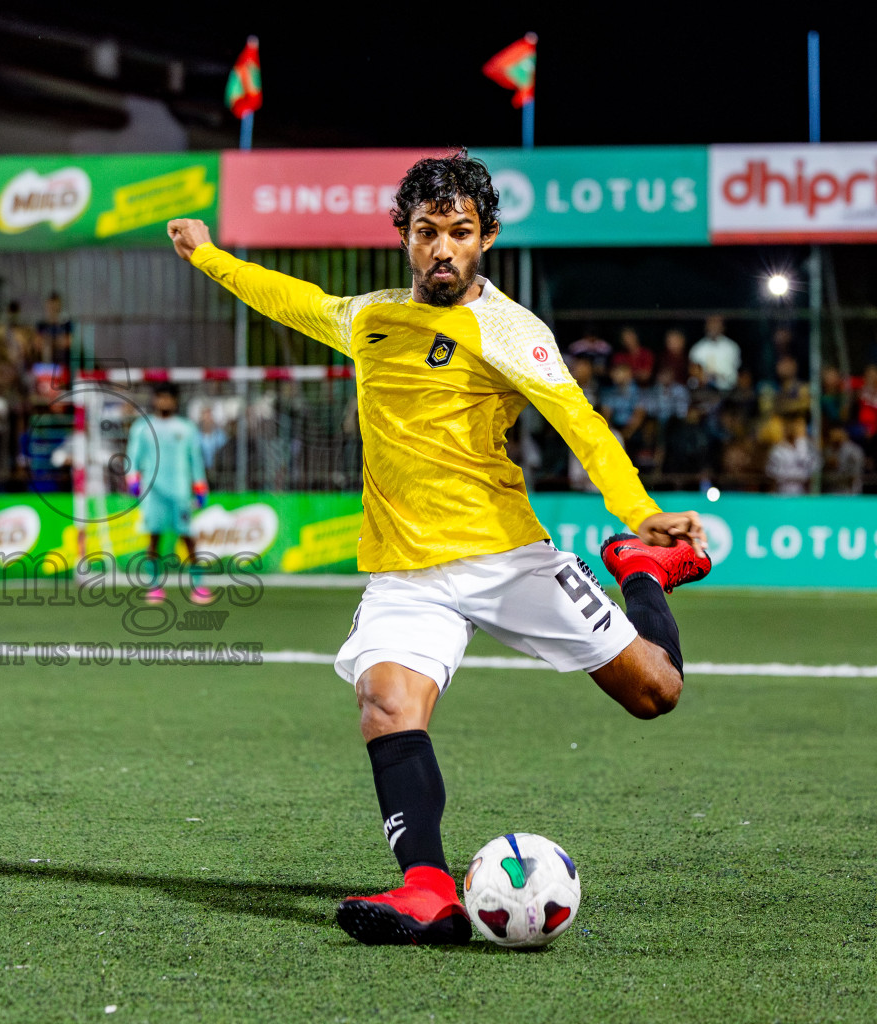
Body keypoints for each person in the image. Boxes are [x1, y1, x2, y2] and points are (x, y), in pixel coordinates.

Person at [167, 151, 711, 947]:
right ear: (405, 238)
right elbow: (293, 300)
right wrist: (208, 256)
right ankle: (427, 887)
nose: (443, 249)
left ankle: (640, 570)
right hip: (406, 570)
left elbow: (582, 426)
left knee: (655, 691)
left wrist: (639, 512)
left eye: (460, 232)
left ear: (485, 235)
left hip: (506, 555)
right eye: (427, 232)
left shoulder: (511, 329)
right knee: (385, 703)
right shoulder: (370, 317)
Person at [123, 383, 213, 606]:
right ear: (154, 400)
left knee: (187, 537)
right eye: (160, 397)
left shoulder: (186, 428)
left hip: (180, 490)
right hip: (153, 491)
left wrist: (200, 485)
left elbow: (195, 460)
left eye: (168, 398)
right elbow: (133, 457)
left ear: (175, 401)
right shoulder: (142, 427)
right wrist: (132, 479)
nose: (164, 402)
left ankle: (198, 584)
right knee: (154, 537)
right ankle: (154, 586)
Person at [690, 316, 740, 392]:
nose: (714, 327)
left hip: (727, 391)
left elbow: (735, 371)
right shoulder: (697, 349)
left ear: (722, 327)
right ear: (706, 327)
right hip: (704, 391)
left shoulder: (732, 347)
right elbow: (694, 373)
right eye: (711, 324)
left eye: (717, 324)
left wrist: (720, 376)